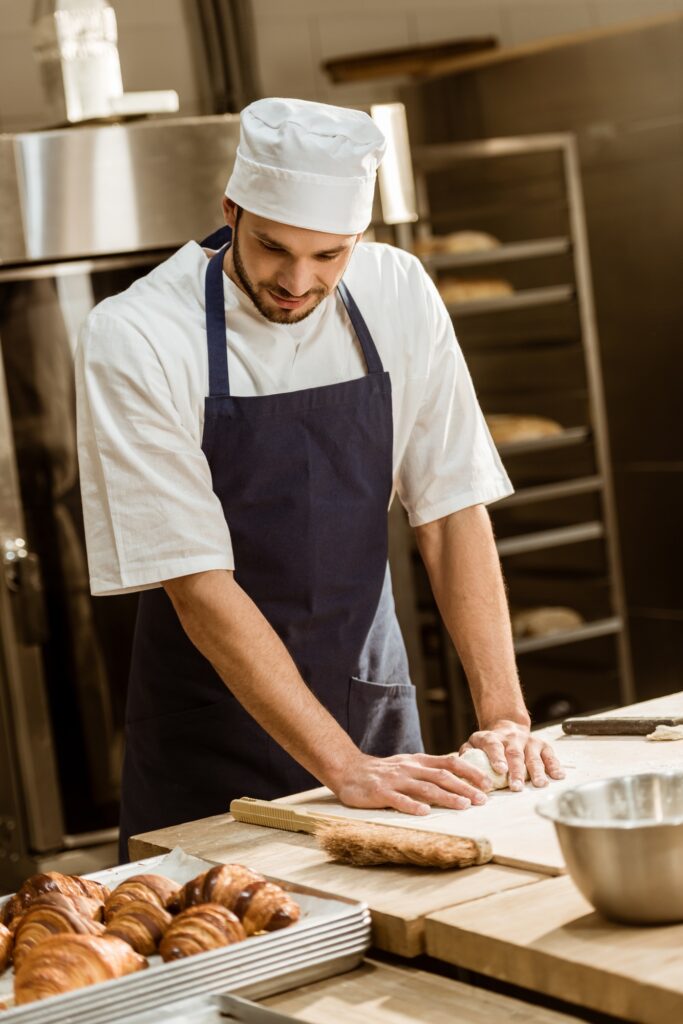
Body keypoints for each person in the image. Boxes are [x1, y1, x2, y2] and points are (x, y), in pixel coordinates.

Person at [75, 98, 564, 861]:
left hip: (369, 714)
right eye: (273, 248)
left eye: (329, 256)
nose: (297, 281)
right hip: (211, 736)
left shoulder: (397, 290)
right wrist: (341, 767)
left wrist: (504, 717)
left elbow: (449, 509)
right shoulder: (136, 334)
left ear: (359, 240)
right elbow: (195, 581)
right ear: (231, 209)